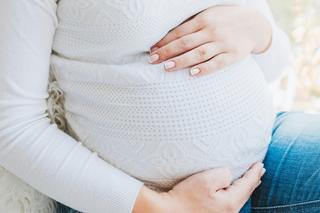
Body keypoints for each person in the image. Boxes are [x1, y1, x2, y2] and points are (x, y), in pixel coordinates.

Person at [0, 1, 319, 213]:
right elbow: (12, 127)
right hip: (134, 200)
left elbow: (274, 64)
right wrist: (162, 208)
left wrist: (259, 30)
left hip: (262, 161)